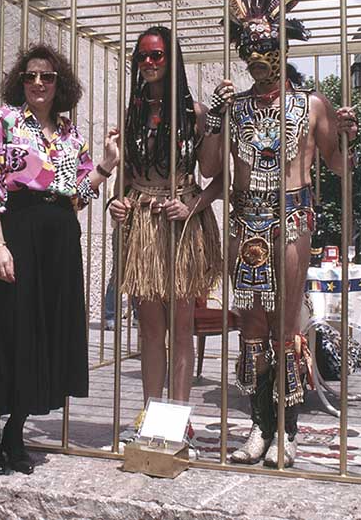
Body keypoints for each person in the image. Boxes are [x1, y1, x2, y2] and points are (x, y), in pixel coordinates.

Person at [199, 0, 358, 467]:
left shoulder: (310, 104)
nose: (255, 55)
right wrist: (214, 120)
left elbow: (340, 166)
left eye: (266, 44)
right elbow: (209, 168)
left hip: (291, 215)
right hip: (245, 218)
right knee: (250, 324)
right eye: (248, 46)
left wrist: (348, 134)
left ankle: (286, 432)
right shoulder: (237, 107)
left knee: (286, 324)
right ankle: (258, 426)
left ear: (283, 46)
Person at [0, 43, 119, 475]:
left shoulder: (71, 135)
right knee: (7, 327)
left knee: (46, 332)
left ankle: (17, 431)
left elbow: (78, 198)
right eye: (31, 76)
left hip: (59, 238)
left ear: (60, 84)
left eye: (47, 77)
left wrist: (105, 167)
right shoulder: (2, 122)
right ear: (21, 80)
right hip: (17, 230)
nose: (37, 83)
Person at [108, 26, 222, 439]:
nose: (150, 63)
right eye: (143, 57)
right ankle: (151, 416)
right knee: (150, 329)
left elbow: (215, 175)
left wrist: (192, 204)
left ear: (172, 60)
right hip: (142, 225)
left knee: (182, 326)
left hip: (181, 225)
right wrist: (115, 203)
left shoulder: (197, 112)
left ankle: (179, 419)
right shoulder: (133, 111)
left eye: (157, 56)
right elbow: (125, 177)